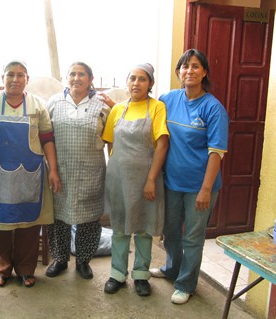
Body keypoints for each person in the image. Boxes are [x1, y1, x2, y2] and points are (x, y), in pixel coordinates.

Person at [0, 60, 61, 289]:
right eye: (10, 74)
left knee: (28, 226)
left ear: (27, 80)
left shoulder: (37, 105)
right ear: (2, 78)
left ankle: (25, 270)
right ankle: (2, 269)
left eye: (20, 75)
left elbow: (47, 138)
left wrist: (53, 170)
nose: (15, 79)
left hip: (30, 176)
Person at [150, 49, 229, 304]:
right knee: (170, 232)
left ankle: (186, 284)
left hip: (199, 187)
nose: (189, 71)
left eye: (195, 66)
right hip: (172, 183)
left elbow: (216, 153)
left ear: (204, 72)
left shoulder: (213, 108)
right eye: (185, 67)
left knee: (192, 238)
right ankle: (172, 269)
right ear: (178, 72)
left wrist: (206, 189)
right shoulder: (168, 99)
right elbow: (146, 114)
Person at [102, 63, 169, 296]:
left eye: (142, 79)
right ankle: (117, 274)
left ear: (150, 84)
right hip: (119, 179)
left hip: (145, 181)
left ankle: (141, 275)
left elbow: (162, 144)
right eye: (132, 78)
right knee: (119, 228)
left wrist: (151, 179)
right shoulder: (117, 109)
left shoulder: (157, 107)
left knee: (143, 229)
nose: (136, 83)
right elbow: (110, 141)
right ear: (127, 81)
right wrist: (120, 166)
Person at [45, 62, 114, 280]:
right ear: (67, 78)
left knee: (89, 218)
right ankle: (60, 259)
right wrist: (51, 168)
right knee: (58, 217)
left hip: (90, 170)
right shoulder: (55, 102)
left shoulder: (102, 105)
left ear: (91, 79)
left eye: (81, 74)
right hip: (60, 170)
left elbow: (112, 137)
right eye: (72, 74)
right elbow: (46, 137)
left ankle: (84, 261)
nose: (76, 78)